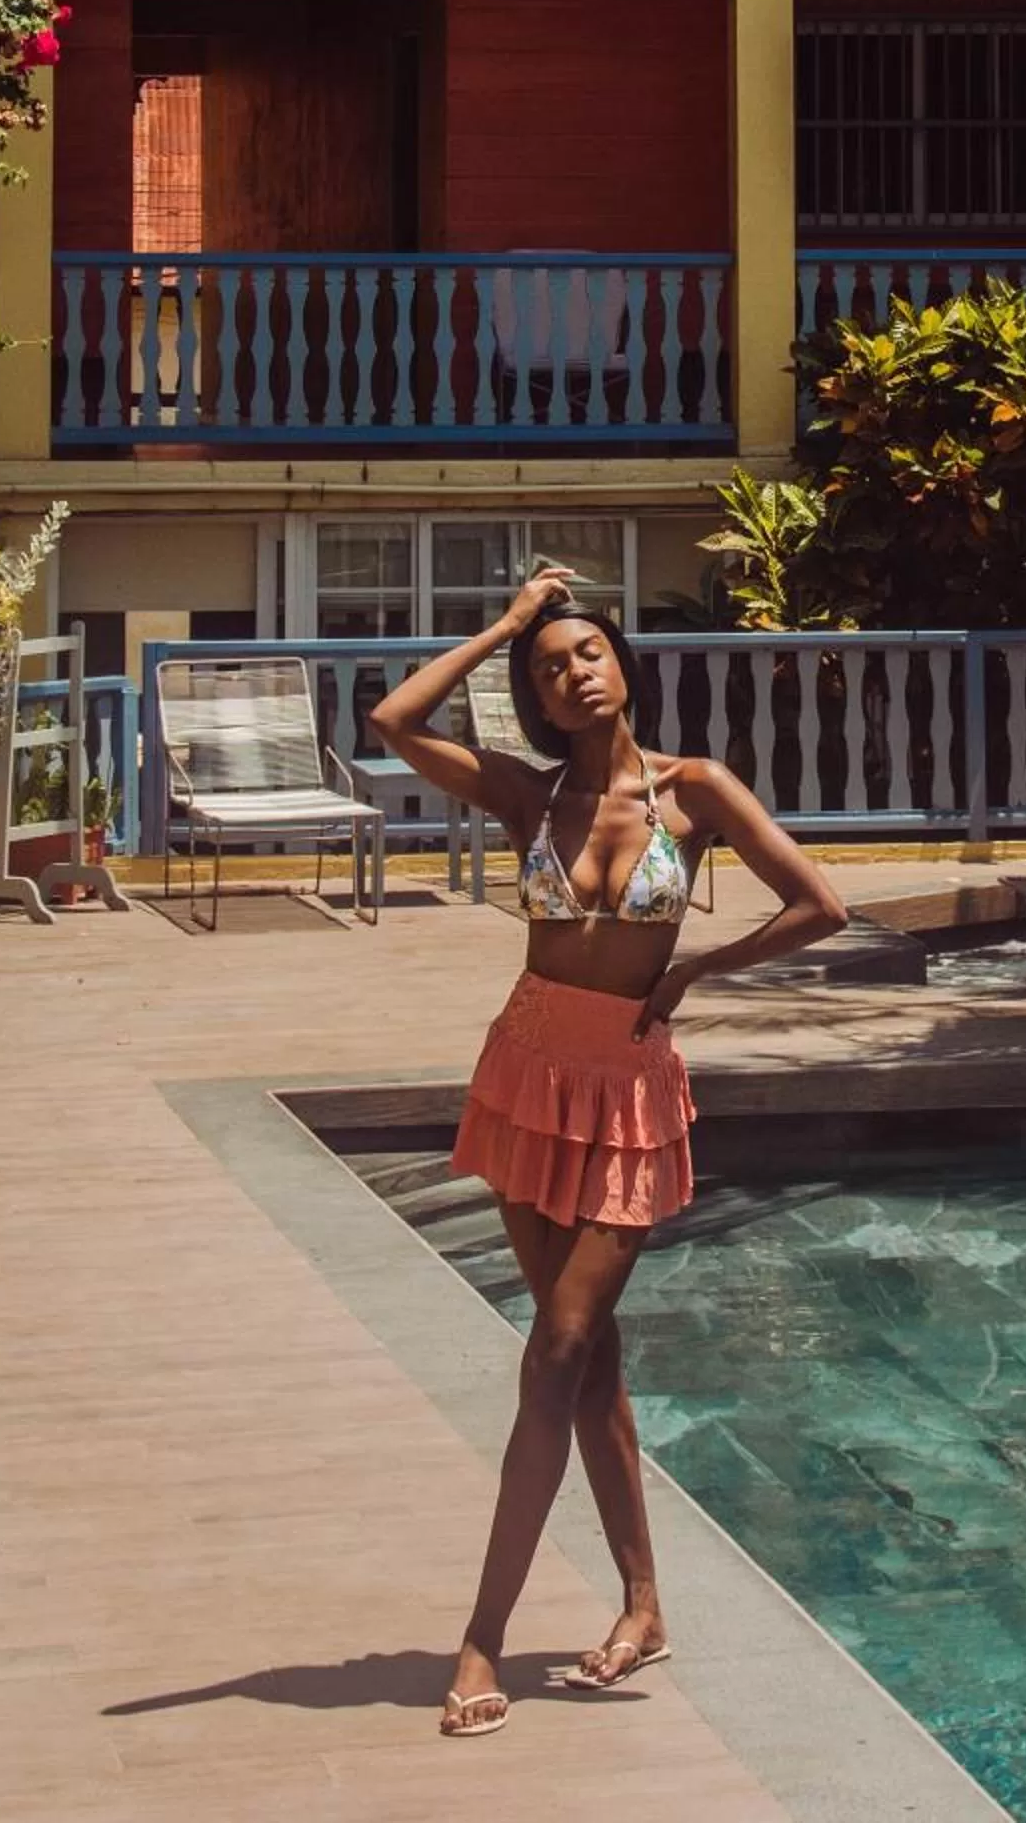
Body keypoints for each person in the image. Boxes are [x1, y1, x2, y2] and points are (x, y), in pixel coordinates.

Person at [368, 563, 847, 1739]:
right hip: (528, 1070)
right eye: (548, 665)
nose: (570, 672)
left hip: (629, 1089)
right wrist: (507, 620)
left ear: (623, 663)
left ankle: (483, 1630)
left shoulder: (696, 791)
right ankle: (643, 1601)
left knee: (559, 1344)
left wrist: (695, 968)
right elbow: (391, 721)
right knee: (589, 1361)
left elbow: (820, 903)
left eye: (585, 652)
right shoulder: (531, 801)